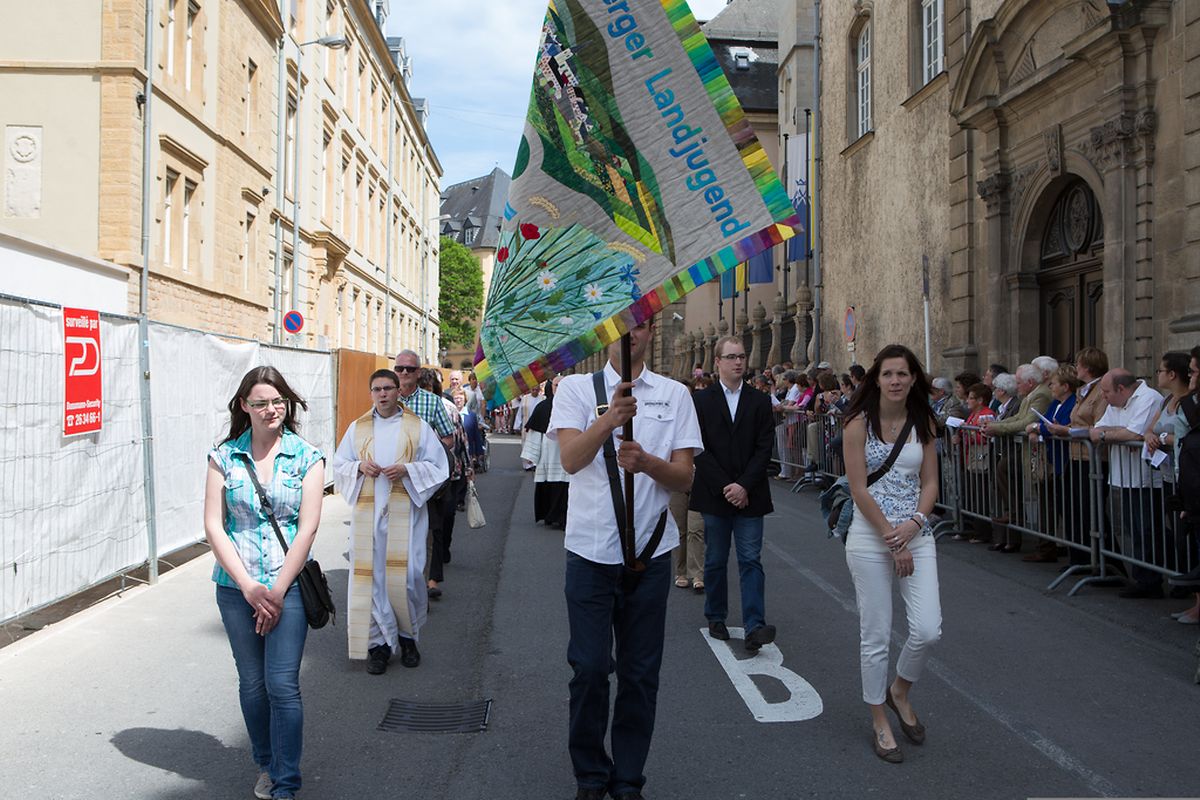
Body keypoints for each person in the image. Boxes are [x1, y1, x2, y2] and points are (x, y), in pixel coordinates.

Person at [549, 317, 702, 800]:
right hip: (591, 552)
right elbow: (571, 460)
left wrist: (647, 463)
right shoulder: (575, 388)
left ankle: (628, 779)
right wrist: (609, 420)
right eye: (620, 326)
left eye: (638, 326)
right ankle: (590, 775)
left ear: (651, 332)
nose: (629, 334)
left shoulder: (675, 394)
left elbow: (684, 478)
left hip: (651, 554)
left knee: (639, 674)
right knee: (591, 668)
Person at [203, 367, 325, 800]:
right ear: (244, 407)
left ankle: (287, 782)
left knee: (282, 685)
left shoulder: (307, 456)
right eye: (261, 403)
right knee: (252, 684)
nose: (271, 410)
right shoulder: (224, 456)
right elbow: (214, 527)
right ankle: (267, 764)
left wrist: (274, 589)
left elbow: (308, 528)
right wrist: (249, 587)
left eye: (277, 402)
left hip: (287, 588)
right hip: (236, 590)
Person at [841, 345, 941, 764]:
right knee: (876, 634)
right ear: (876, 380)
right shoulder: (857, 425)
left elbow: (931, 482)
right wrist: (890, 536)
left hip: (915, 532)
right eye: (888, 375)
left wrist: (916, 523)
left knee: (927, 629)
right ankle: (879, 717)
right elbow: (859, 488)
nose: (896, 381)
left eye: (903, 374)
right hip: (870, 536)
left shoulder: (924, 423)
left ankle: (899, 689)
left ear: (914, 378)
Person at [332, 369, 449, 673]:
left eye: (388, 388)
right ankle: (378, 648)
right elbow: (339, 464)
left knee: (408, 578)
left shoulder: (418, 427)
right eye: (377, 389)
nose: (382, 394)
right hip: (367, 520)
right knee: (370, 581)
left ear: (399, 391)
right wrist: (359, 467)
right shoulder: (357, 429)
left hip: (406, 517)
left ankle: (408, 639)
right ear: (371, 393)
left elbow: (439, 466)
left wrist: (408, 471)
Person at [690, 336, 777, 652]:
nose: (738, 362)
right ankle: (716, 615)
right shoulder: (701, 401)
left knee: (751, 559)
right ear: (717, 362)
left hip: (750, 494)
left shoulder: (759, 400)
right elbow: (698, 448)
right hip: (715, 494)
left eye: (741, 356)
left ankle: (755, 625)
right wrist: (726, 486)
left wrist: (743, 485)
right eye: (731, 357)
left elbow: (764, 448)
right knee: (715, 559)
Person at [1089, 368, 1166, 598]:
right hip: (1123, 475)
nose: (1104, 397)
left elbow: (1134, 433)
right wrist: (1114, 432)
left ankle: (1150, 580)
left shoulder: (1149, 398)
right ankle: (1144, 576)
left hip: (1145, 477)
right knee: (1135, 529)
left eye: (1106, 392)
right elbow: (1098, 427)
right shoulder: (1115, 403)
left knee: (1147, 529)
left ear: (1121, 389)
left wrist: (1107, 435)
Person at [1043, 347, 1109, 566]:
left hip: (1092, 458)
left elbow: (1099, 425)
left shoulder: (1101, 391)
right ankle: (1080, 556)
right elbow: (1077, 422)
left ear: (1088, 367)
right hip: (1076, 455)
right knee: (1075, 509)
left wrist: (1067, 431)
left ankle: (1103, 561)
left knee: (1091, 511)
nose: (1076, 368)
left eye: (1079, 364)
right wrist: (1066, 429)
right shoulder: (1084, 391)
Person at [982, 361, 1056, 552]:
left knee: (1047, 500)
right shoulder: (1030, 394)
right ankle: (1015, 514)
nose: (1016, 386)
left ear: (1030, 382)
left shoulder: (1040, 394)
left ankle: (1044, 543)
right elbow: (1017, 419)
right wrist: (995, 426)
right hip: (1030, 453)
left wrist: (996, 428)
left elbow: (1026, 421)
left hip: (1040, 454)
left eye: (1019, 382)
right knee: (1006, 470)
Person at [1144, 351, 1194, 613]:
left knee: (1187, 531)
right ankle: (1180, 575)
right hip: (1166, 474)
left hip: (1185, 475)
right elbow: (1150, 430)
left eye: (1161, 371)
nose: (1159, 375)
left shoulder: (1190, 402)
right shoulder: (1166, 401)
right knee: (1175, 528)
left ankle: (1187, 581)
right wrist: (1152, 436)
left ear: (1172, 374)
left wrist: (1162, 439)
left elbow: (1188, 437)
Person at [1024, 365, 1082, 562]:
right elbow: (1045, 423)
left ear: (1065, 386)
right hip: (1052, 459)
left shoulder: (1072, 402)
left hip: (1065, 459)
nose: (1051, 387)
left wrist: (1038, 428)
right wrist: (1036, 428)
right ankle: (1058, 549)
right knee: (1055, 505)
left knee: (1068, 508)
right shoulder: (1056, 403)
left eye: (1054, 384)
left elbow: (1055, 427)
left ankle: (1075, 554)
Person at [521, 375, 570, 529]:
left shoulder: (574, 405)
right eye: (556, 385)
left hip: (568, 452)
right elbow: (536, 432)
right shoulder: (543, 407)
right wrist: (532, 454)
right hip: (548, 454)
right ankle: (549, 515)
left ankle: (563, 517)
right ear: (551, 387)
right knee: (549, 485)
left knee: (566, 487)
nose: (559, 389)